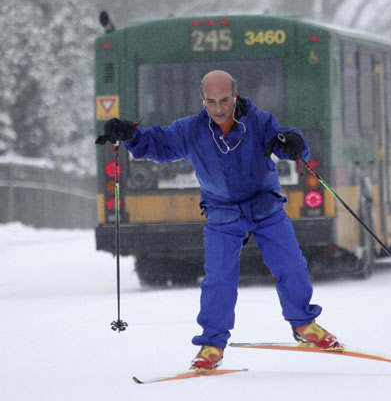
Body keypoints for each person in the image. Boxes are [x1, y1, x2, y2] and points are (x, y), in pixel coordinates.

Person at [96, 70, 339, 370]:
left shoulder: (259, 121)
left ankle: (304, 325)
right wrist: (130, 134)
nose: (219, 108)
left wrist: (294, 143)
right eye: (211, 101)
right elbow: (157, 142)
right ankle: (212, 344)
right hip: (223, 212)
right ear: (203, 100)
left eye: (225, 100)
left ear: (235, 96)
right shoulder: (191, 130)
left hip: (265, 207)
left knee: (291, 265)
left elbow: (286, 139)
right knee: (219, 279)